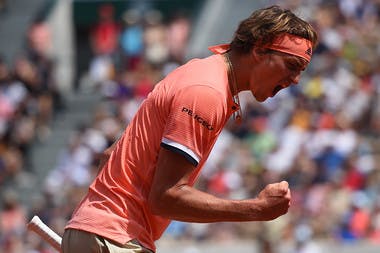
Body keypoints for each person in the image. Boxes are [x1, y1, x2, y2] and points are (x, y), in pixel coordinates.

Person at [62, 5, 318, 253]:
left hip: (94, 232)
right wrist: (256, 209)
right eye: (291, 66)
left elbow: (110, 155)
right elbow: (165, 197)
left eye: (301, 71)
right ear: (260, 49)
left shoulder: (198, 73)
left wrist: (93, 225)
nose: (295, 80)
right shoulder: (207, 93)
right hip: (114, 238)